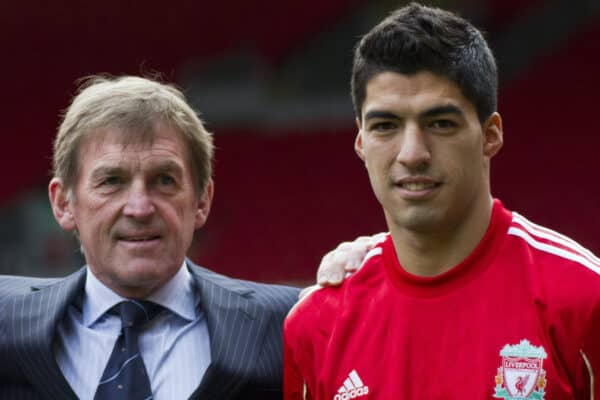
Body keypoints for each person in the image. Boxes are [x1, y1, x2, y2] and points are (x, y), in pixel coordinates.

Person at [284, 3, 600, 399]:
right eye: (386, 126)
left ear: (491, 135)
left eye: (440, 123)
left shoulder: (584, 299)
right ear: (361, 142)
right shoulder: (316, 324)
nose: (412, 153)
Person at [0, 75, 364, 400]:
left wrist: (380, 257)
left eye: (164, 180)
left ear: (202, 201)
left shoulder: (287, 323)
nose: (140, 207)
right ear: (64, 203)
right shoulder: (8, 324)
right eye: (112, 181)